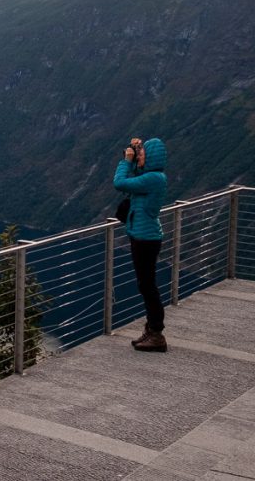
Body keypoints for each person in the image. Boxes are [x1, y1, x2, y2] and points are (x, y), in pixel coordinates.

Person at [113, 137, 168, 352]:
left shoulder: (154, 178)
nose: (139, 156)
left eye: (143, 153)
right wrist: (136, 155)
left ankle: (156, 334)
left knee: (148, 286)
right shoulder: (153, 177)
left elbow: (120, 183)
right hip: (143, 236)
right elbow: (137, 179)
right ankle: (151, 330)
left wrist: (126, 161)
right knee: (146, 285)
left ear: (152, 157)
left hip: (146, 239)